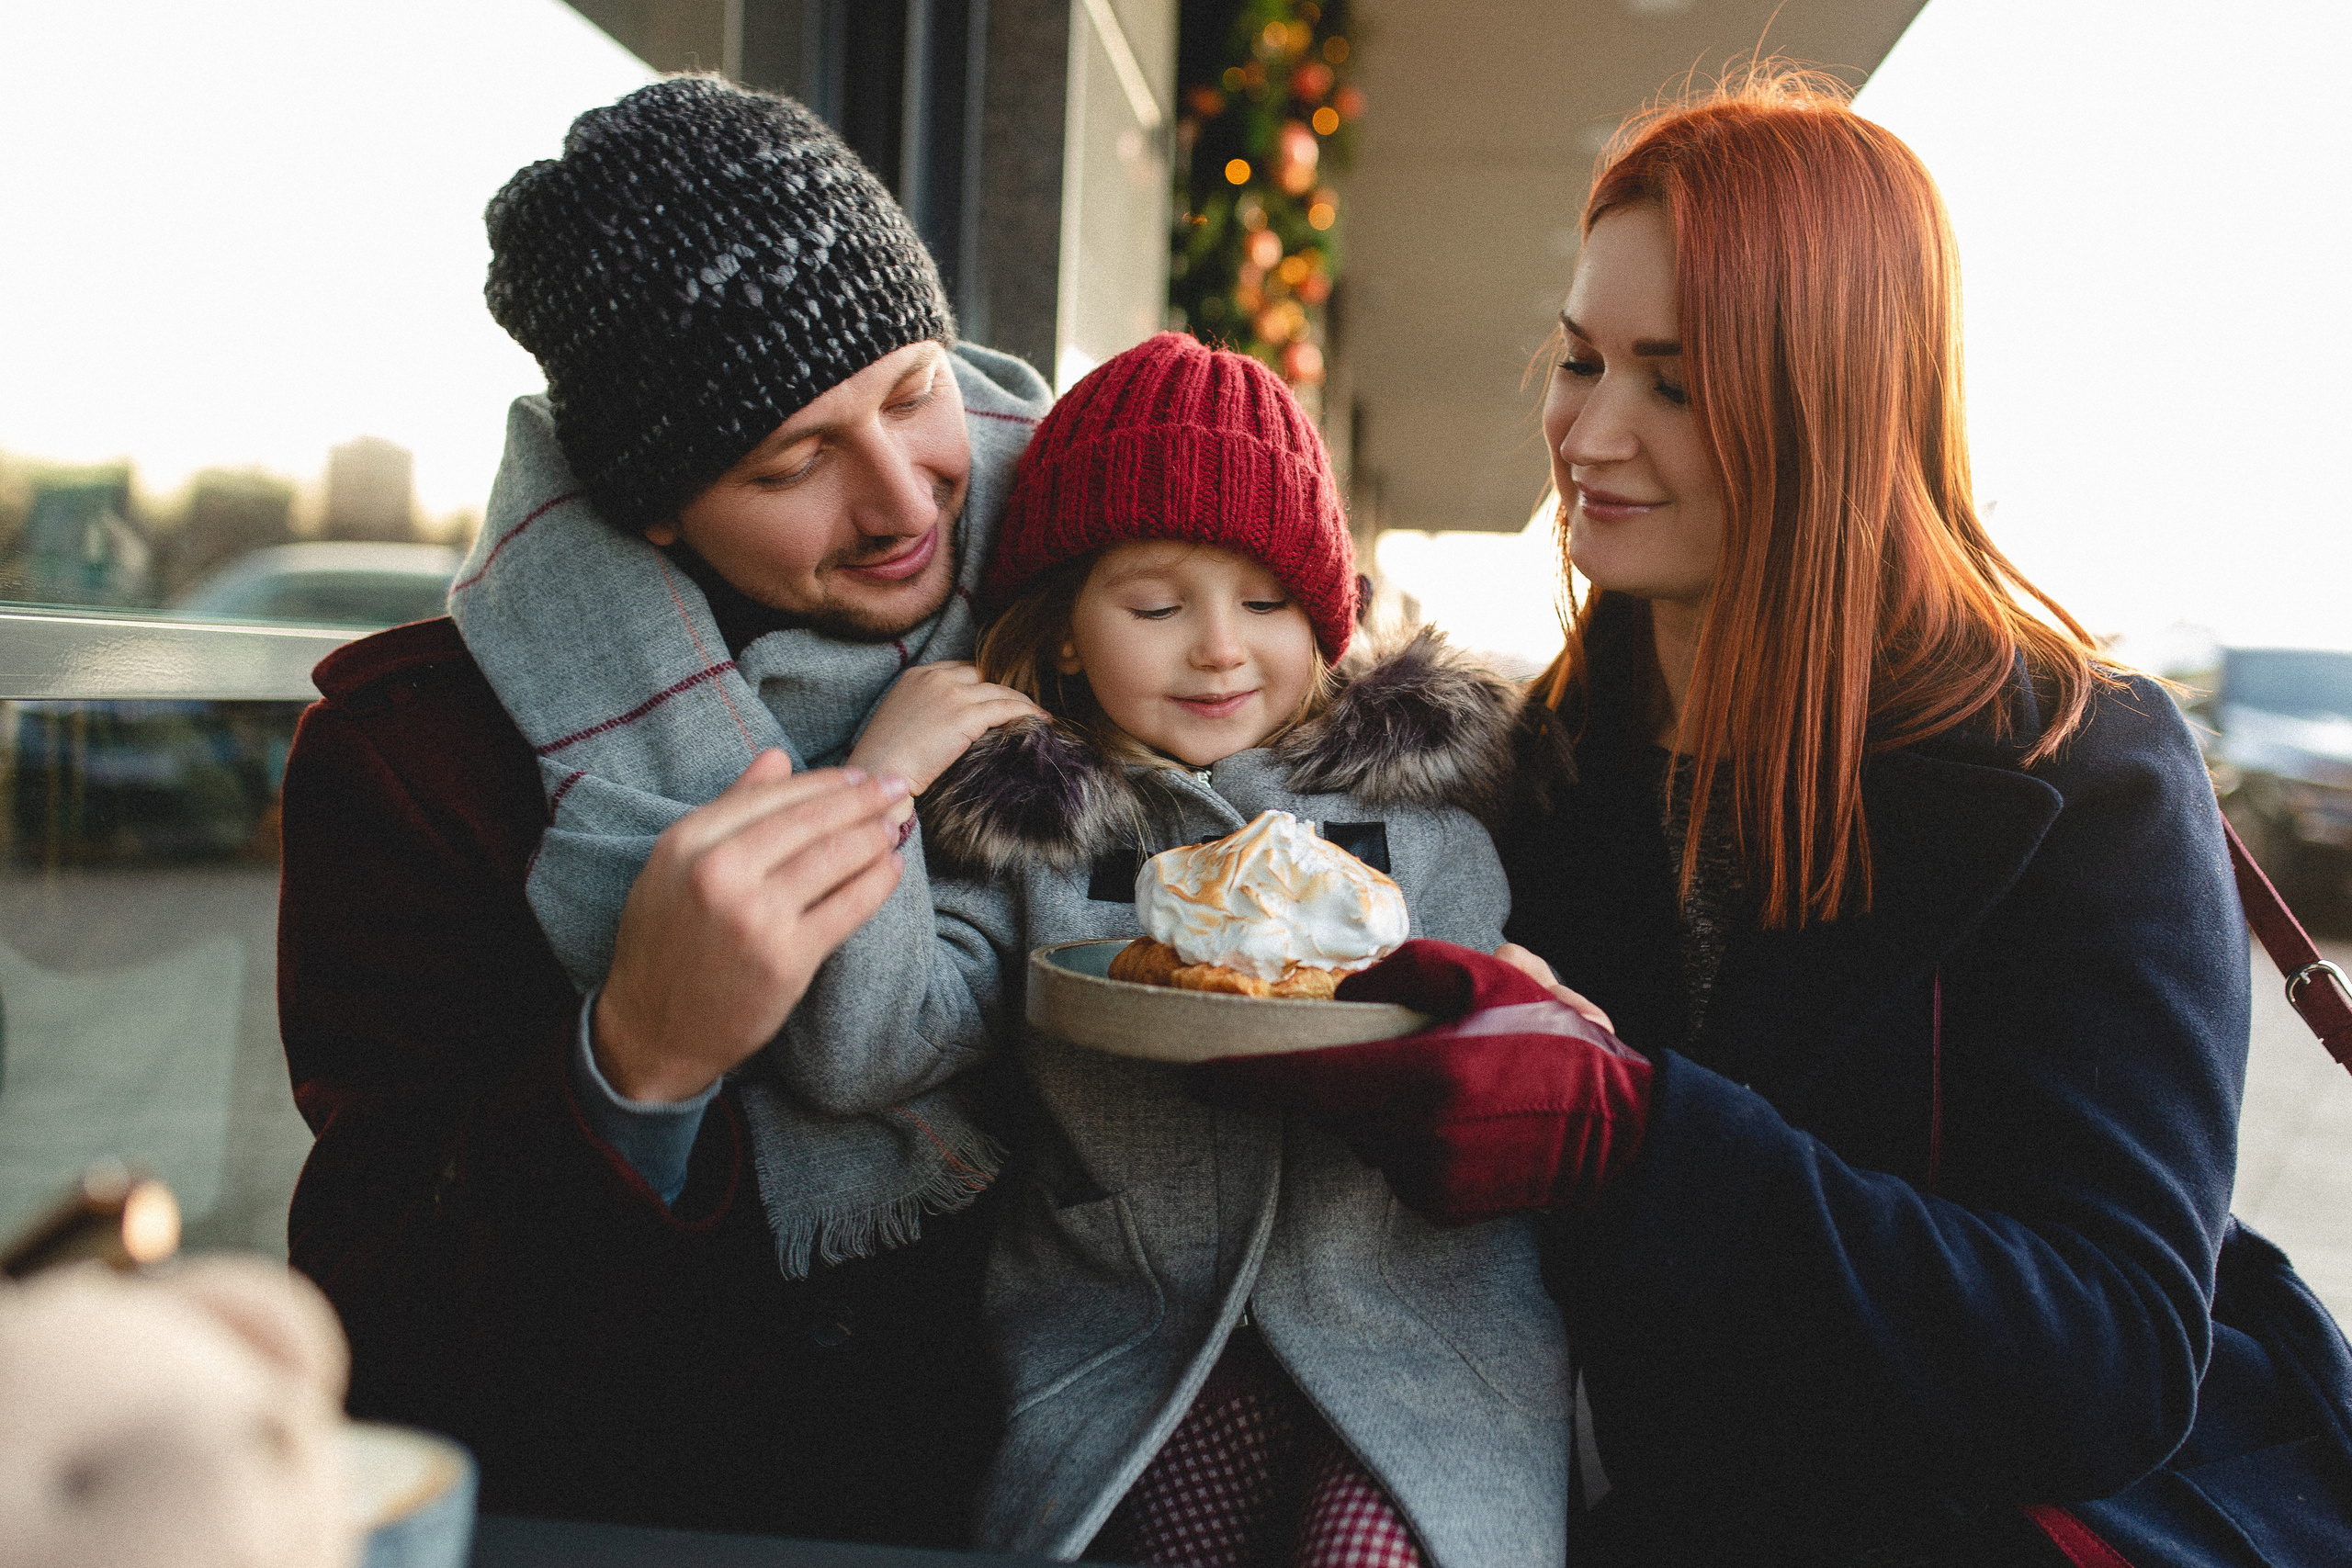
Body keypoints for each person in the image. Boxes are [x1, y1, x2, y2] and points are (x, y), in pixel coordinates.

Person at [1187, 73, 2256, 1565]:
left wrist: (1638, 1142)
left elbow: (2115, 1359)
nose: (1591, 434)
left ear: (1833, 410)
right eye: (1580, 358)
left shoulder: (2087, 776)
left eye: (1674, 384)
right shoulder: (1534, 764)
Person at [275, 77, 1052, 1543]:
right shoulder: (416, 765)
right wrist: (639, 1060)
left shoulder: (1105, 594)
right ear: (650, 506)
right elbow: (379, 1341)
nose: (903, 502)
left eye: (912, 391)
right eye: (793, 461)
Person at [767, 332, 1570, 1565]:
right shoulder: (1032, 842)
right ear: (1071, 631)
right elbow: (860, 1052)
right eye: (1156, 603)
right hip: (1139, 1344)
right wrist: (880, 788)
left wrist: (1530, 1020)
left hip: (1415, 1333)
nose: (1218, 646)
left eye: (1266, 601)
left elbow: (1500, 1045)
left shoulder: (1420, 828)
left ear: (1327, 619)